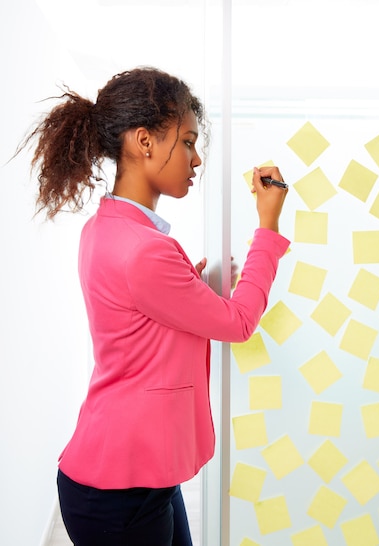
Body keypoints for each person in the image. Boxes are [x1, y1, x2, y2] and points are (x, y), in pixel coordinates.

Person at [21, 67, 289, 545]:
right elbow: (239, 321)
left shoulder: (105, 230)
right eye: (187, 142)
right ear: (144, 141)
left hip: (134, 476)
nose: (196, 157)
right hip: (119, 492)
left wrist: (194, 283)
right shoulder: (146, 250)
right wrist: (267, 228)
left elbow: (141, 320)